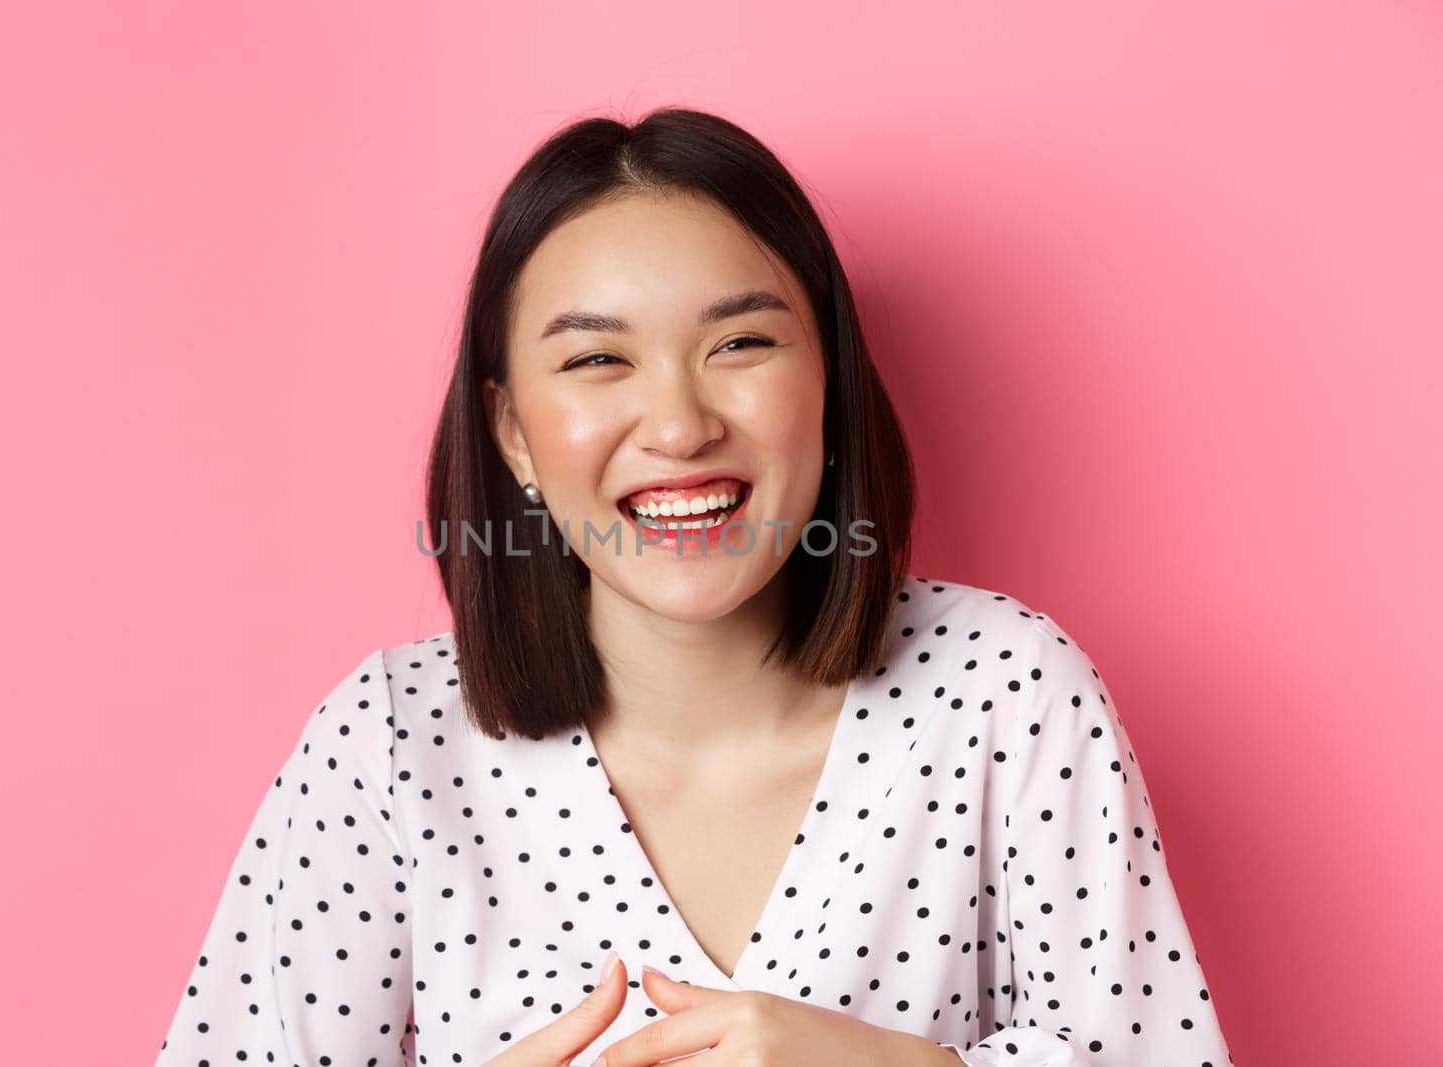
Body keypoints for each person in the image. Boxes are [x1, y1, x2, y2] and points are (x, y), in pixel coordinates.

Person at [153, 107, 1233, 1067]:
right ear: (512, 433)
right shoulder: (390, 744)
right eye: (595, 361)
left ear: (829, 385)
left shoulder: (1005, 690)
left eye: (742, 342)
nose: (678, 427)